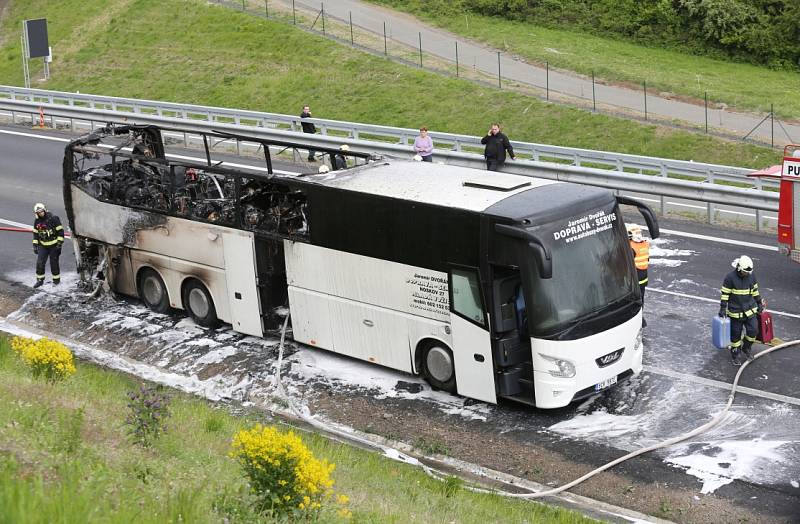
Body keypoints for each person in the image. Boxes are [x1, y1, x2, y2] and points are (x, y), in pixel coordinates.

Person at [719, 255, 764, 366]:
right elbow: (725, 294)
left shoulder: (751, 276)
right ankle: (736, 354)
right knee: (735, 336)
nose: (747, 274)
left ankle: (746, 348)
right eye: (745, 272)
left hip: (750, 310)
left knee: (753, 331)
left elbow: (755, 291)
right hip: (735, 313)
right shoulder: (730, 278)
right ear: (739, 268)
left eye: (748, 272)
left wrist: (759, 302)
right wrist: (723, 308)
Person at [32, 202, 64, 288]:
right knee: (40, 262)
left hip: (54, 246)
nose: (41, 213)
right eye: (38, 212)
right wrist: (35, 245)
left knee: (54, 263)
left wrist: (59, 243)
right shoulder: (37, 221)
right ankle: (40, 280)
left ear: (45, 210)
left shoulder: (53, 219)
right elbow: (36, 234)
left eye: (42, 211)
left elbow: (60, 231)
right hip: (43, 246)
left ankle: (56, 280)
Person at [627, 224, 650, 327]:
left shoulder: (632, 247)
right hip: (644, 277)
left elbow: (627, 263)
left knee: (633, 299)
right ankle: (640, 318)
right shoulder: (645, 244)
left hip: (635, 277)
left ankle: (637, 320)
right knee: (641, 298)